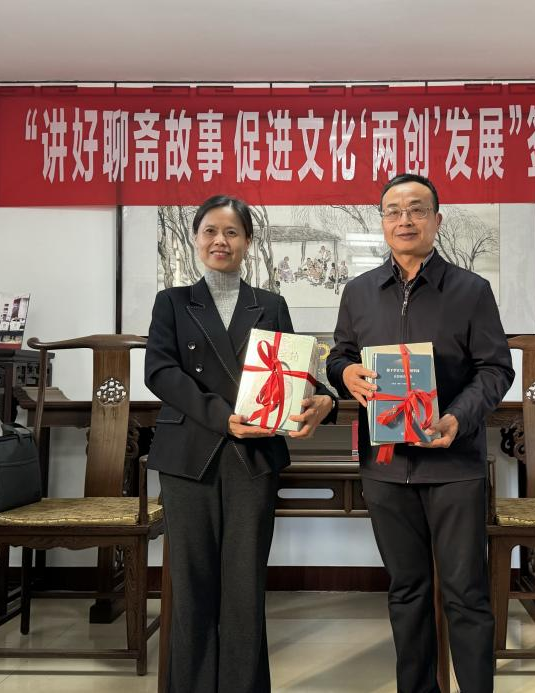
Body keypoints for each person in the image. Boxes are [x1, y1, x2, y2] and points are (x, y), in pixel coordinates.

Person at [326, 173, 514, 693]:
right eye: (393, 210)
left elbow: (496, 369)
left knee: (465, 593)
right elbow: (340, 356)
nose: (404, 220)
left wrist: (458, 417)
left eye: (416, 209)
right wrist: (345, 373)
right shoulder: (359, 292)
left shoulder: (471, 291)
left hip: (453, 464)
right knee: (406, 591)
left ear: (437, 219)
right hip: (385, 466)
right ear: (382, 221)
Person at [145, 194, 337, 693]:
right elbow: (160, 372)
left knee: (245, 585)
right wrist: (223, 418)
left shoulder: (270, 305)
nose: (220, 241)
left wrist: (321, 397)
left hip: (253, 457)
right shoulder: (172, 302)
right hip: (189, 456)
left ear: (248, 241)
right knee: (191, 586)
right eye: (210, 231)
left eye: (231, 232)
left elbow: (297, 373)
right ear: (196, 238)